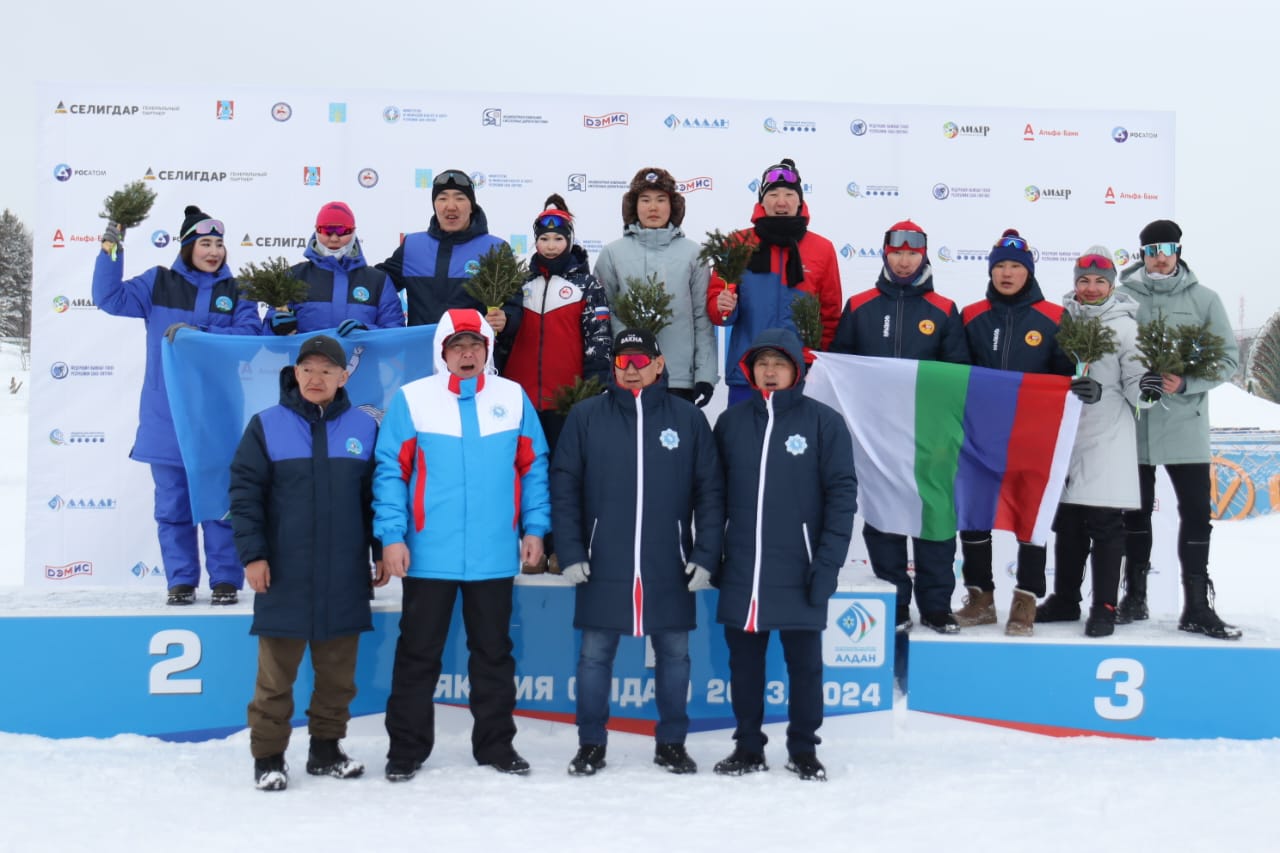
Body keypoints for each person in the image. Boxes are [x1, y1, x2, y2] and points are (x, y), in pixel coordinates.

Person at [374, 309, 550, 780]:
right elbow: (391, 472)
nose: (467, 354)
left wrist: (535, 529)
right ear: (442, 352)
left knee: (493, 655)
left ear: (487, 350)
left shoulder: (512, 397)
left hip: (493, 555)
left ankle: (496, 746)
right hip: (428, 555)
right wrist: (392, 537)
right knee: (417, 655)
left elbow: (533, 467)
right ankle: (406, 751)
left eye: (475, 345)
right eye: (457, 346)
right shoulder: (414, 399)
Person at [549, 328, 724, 777]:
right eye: (622, 361)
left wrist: (706, 554)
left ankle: (672, 744)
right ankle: (591, 744)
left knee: (675, 656)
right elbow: (564, 487)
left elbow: (710, 492)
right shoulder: (587, 417)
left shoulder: (688, 419)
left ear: (659, 365)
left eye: (640, 361)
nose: (630, 370)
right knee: (594, 657)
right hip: (603, 559)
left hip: (669, 561)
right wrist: (570, 549)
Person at [229, 334, 388, 791]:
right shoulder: (266, 425)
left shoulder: (364, 428)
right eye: (307, 369)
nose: (316, 378)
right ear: (295, 373)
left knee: (338, 679)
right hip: (284, 574)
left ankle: (326, 751)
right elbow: (244, 495)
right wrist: (254, 555)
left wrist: (380, 549)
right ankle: (268, 758)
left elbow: (377, 497)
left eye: (326, 370)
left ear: (343, 377)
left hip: (344, 575)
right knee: (275, 681)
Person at [93, 204, 261, 605]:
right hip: (164, 414)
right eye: (205, 244)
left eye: (219, 244)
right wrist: (111, 250)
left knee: (220, 502)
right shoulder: (158, 282)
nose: (214, 251)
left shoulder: (236, 290)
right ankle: (181, 580)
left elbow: (251, 337)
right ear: (187, 247)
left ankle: (225, 579)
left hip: (217, 414)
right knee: (172, 505)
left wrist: (196, 332)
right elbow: (109, 298)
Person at [711, 328, 857, 781]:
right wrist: (713, 554)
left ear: (797, 371)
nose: (770, 371)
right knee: (744, 666)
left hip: (801, 568)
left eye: (779, 364)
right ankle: (747, 746)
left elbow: (842, 497)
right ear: (750, 370)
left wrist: (827, 564)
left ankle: (803, 748)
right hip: (743, 569)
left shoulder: (824, 423)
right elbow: (711, 496)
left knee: (805, 667)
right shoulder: (731, 423)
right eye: (762, 364)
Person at [828, 220, 969, 633]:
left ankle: (937, 606)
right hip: (877, 435)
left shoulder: (943, 309)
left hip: (929, 436)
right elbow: (840, 366)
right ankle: (896, 603)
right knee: (884, 517)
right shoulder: (860, 305)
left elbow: (958, 373)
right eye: (896, 253)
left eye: (912, 253)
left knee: (935, 518)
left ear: (923, 256)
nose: (904, 261)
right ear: (885, 255)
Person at [1117, 220, 1242, 639]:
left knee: (1196, 513)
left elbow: (1227, 358)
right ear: (1142, 255)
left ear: (1178, 251)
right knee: (1134, 512)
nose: (1159, 257)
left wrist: (1187, 382)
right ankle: (1134, 597)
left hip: (1186, 423)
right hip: (1134, 421)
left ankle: (1196, 605)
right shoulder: (1122, 297)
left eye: (1166, 248)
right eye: (1152, 250)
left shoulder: (1204, 299)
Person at [1025, 248, 1147, 636]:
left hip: (1107, 435)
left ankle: (1104, 607)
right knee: (1068, 522)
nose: (1091, 288)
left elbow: (1137, 386)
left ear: (1111, 285)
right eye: (1083, 280)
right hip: (1065, 434)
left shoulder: (1126, 328)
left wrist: (1146, 389)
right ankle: (1065, 599)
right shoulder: (1060, 321)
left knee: (1105, 523)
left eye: (1099, 282)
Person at [957, 229, 1074, 634]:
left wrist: (1081, 383)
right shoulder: (971, 315)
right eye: (1000, 266)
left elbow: (1066, 373)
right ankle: (980, 598)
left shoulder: (1055, 317)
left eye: (1015, 267)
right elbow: (957, 372)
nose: (1007, 274)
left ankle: (1026, 600)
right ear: (991, 271)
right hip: (980, 433)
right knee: (974, 513)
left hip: (1033, 434)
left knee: (1032, 515)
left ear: (1029, 272)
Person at [502, 194, 612, 572]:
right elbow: (503, 339)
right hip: (522, 400)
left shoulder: (587, 284)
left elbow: (599, 340)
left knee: (565, 477)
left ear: (570, 240)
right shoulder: (520, 282)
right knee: (528, 473)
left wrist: (593, 387)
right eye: (544, 239)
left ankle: (562, 547)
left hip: (568, 399)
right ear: (535, 241)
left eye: (558, 238)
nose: (551, 246)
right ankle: (532, 548)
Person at [708, 159, 843, 406]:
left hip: (802, 373)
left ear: (800, 201)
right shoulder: (737, 244)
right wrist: (723, 306)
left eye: (789, 194)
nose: (781, 202)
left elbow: (830, 316)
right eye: (773, 194)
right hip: (748, 370)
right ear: (761, 201)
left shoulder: (822, 249)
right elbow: (719, 313)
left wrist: (818, 365)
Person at [594, 167, 718, 407]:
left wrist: (705, 375)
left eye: (661, 199)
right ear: (634, 206)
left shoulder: (693, 254)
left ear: (673, 206)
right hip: (628, 374)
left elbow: (702, 319)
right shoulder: (612, 254)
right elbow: (602, 316)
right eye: (645, 200)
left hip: (679, 378)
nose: (653, 207)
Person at [377, 170, 521, 366]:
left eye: (460, 198)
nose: (450, 206)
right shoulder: (413, 246)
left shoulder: (494, 249)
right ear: (434, 204)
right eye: (442, 198)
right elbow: (376, 284)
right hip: (421, 359)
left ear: (471, 205)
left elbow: (514, 304)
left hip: (471, 360)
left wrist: (507, 319)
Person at [265, 201, 404, 336]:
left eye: (342, 231)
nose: (334, 238)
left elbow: (395, 335)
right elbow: (267, 339)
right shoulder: (292, 277)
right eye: (327, 231)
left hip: (360, 353)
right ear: (316, 230)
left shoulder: (377, 281)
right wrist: (274, 328)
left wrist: (367, 331)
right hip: (306, 353)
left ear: (353, 232)